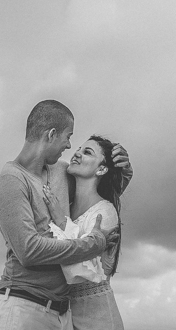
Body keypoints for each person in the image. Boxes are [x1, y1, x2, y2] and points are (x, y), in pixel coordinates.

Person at [0, 100, 133, 330]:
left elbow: (92, 202)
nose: (69, 145)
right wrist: (93, 245)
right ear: (52, 134)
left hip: (62, 315)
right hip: (23, 308)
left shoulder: (62, 172)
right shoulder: (10, 181)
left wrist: (123, 173)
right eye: (68, 136)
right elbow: (29, 251)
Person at [43, 135, 127, 330]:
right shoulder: (65, 206)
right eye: (79, 149)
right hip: (66, 316)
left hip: (99, 317)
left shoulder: (104, 212)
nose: (77, 153)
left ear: (101, 169)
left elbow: (80, 271)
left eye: (87, 152)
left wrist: (62, 222)